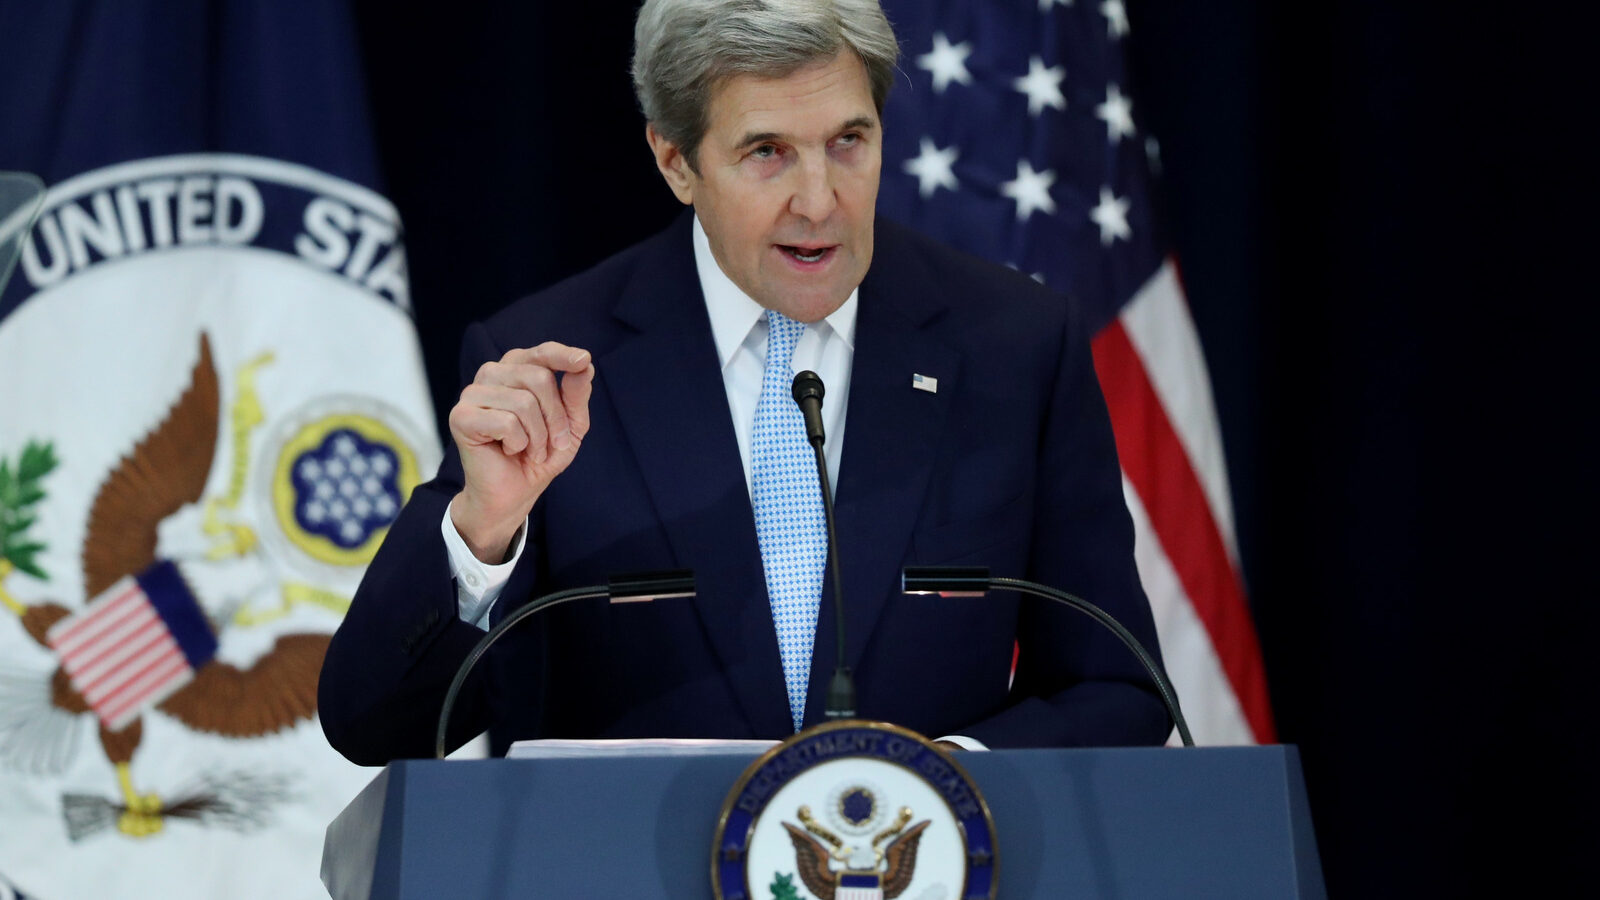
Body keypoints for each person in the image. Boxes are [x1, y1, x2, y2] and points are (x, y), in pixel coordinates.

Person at [319, 0, 1170, 765]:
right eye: (768, 152)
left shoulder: (1013, 346)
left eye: (848, 142)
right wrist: (483, 532)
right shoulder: (552, 363)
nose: (819, 200)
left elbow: (1117, 685)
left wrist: (942, 784)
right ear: (676, 161)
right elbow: (372, 724)